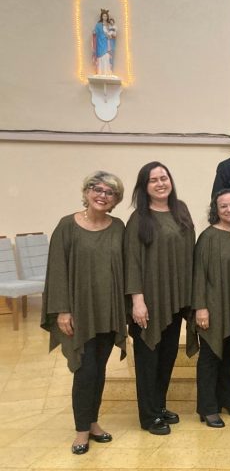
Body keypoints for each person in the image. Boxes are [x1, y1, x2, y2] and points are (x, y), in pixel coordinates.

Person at [42, 171, 127, 454]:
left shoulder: (118, 227)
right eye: (97, 189)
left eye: (110, 192)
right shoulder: (67, 225)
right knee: (84, 368)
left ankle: (92, 422)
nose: (102, 195)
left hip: (108, 311)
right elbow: (57, 269)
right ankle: (81, 429)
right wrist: (62, 310)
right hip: (80, 312)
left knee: (99, 369)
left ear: (116, 199)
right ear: (87, 192)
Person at [125, 162, 195, 436]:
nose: (160, 183)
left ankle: (159, 405)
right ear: (144, 187)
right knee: (148, 361)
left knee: (167, 356)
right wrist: (137, 301)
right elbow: (132, 262)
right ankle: (149, 416)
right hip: (149, 302)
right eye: (153, 180)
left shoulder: (181, 210)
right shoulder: (139, 218)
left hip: (174, 299)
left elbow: (189, 251)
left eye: (164, 177)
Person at [189, 189, 230, 428]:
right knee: (210, 356)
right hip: (213, 307)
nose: (229, 210)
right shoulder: (208, 237)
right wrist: (201, 308)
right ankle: (208, 408)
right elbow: (199, 275)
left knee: (227, 355)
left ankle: (227, 400)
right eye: (223, 206)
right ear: (216, 210)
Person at [91, 9, 115, 75]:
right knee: (101, 57)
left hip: (107, 42)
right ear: (101, 17)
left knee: (107, 56)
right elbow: (95, 32)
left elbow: (112, 32)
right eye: (104, 16)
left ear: (107, 17)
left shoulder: (109, 25)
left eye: (106, 16)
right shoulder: (98, 25)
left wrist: (111, 35)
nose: (105, 17)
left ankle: (107, 72)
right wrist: (94, 33)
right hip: (100, 42)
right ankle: (100, 72)